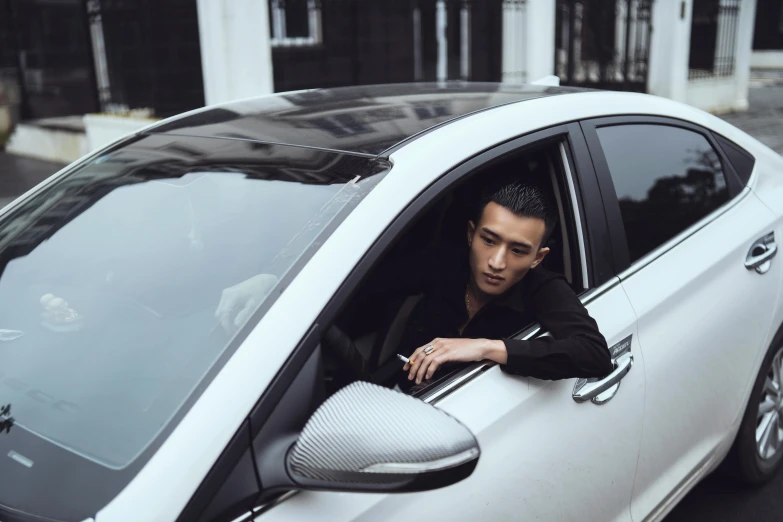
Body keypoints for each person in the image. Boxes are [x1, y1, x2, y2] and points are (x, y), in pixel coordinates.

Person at [216, 180, 613, 389]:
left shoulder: (543, 288)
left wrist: (486, 348)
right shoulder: (442, 265)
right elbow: (355, 281)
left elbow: (594, 356)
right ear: (471, 234)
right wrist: (278, 281)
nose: (496, 262)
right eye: (489, 241)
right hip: (394, 399)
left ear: (538, 258)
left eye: (518, 250)